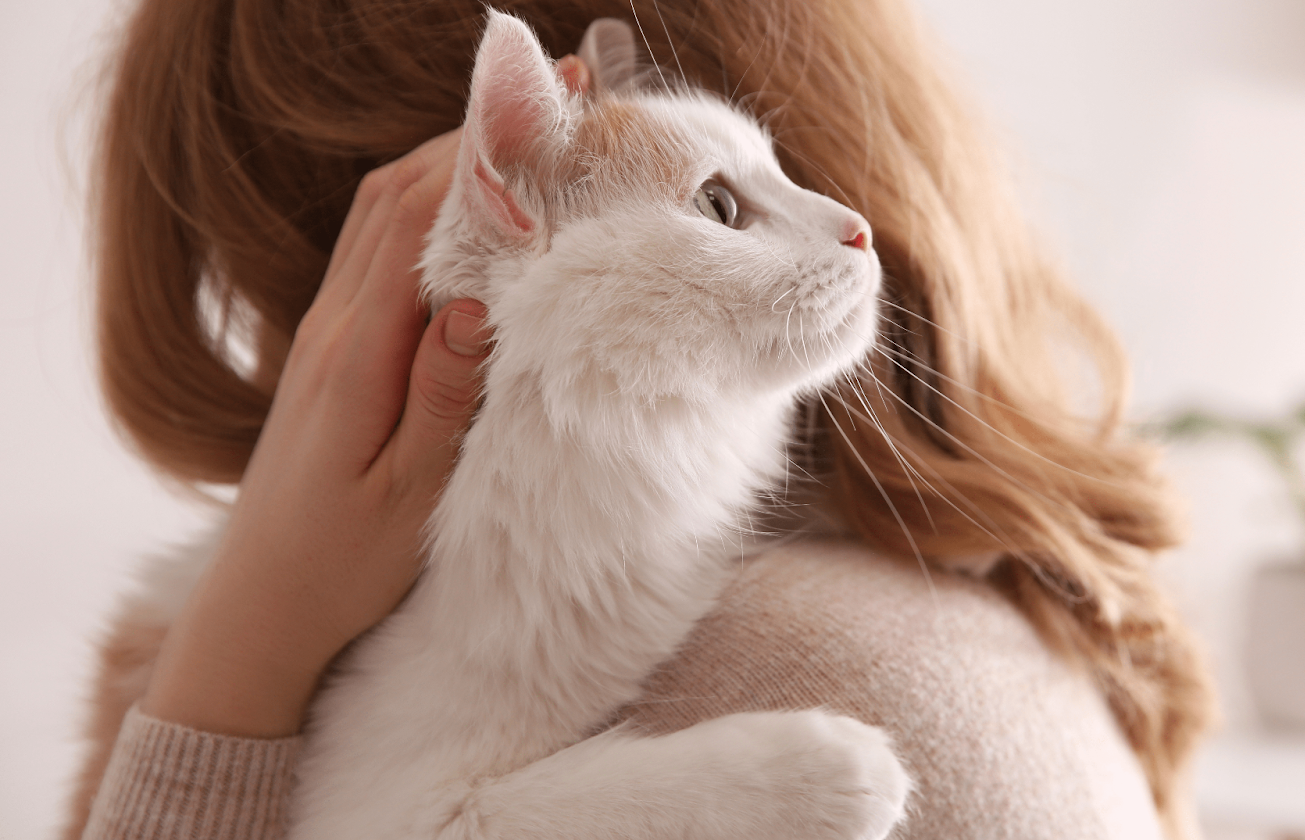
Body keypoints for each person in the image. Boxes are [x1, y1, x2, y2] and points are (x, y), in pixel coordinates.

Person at [67, 0, 1214, 837]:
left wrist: (217, 692)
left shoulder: (795, 668)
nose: (848, 225)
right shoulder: (866, 643)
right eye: (724, 203)